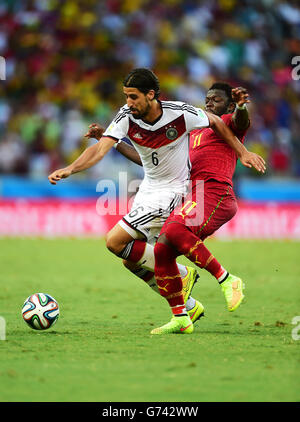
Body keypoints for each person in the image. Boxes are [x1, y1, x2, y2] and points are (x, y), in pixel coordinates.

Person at [48, 69, 265, 331]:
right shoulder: (127, 116)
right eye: (126, 96)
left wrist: (242, 150)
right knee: (132, 260)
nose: (128, 102)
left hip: (174, 192)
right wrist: (72, 168)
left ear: (151, 95)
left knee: (114, 241)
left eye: (133, 96)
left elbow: (227, 123)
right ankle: (187, 309)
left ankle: (200, 277)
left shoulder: (181, 114)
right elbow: (107, 150)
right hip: (147, 190)